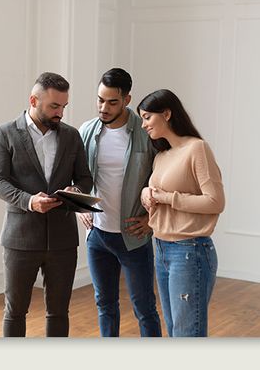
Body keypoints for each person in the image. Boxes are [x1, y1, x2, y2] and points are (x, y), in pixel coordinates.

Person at [0, 72, 93, 337]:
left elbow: (84, 177)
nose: (60, 113)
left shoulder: (71, 136)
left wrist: (76, 190)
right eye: (54, 106)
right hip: (20, 239)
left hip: (63, 241)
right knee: (15, 311)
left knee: (59, 312)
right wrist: (30, 201)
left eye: (64, 106)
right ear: (33, 100)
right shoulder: (5, 133)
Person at [78, 68, 162, 337]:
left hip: (134, 238)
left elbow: (165, 179)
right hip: (98, 236)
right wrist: (80, 207)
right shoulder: (87, 131)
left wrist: (151, 220)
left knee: (144, 307)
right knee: (105, 305)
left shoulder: (145, 133)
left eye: (112, 101)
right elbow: (76, 178)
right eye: (100, 100)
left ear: (127, 99)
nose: (104, 107)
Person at [137, 89, 225, 337]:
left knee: (187, 334)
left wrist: (165, 198)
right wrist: (146, 193)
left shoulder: (197, 149)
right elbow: (157, 191)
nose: (143, 125)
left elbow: (215, 202)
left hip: (190, 251)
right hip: (162, 247)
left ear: (166, 113)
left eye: (147, 117)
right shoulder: (162, 155)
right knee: (176, 330)